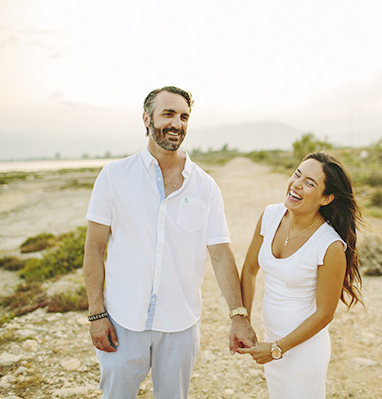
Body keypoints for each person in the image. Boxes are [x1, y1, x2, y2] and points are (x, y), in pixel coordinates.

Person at [83, 86, 256, 399]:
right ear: (147, 119)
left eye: (184, 116)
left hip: (180, 324)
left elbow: (220, 255)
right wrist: (96, 313)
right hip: (122, 320)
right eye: (168, 114)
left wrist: (239, 316)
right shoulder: (113, 176)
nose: (177, 123)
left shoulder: (205, 186)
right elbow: (94, 248)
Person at [237, 151, 362, 399]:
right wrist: (244, 320)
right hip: (272, 342)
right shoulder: (270, 216)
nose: (296, 184)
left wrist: (276, 349)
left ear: (326, 199)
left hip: (304, 352)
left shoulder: (330, 245)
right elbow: (250, 270)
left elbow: (325, 314)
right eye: (297, 174)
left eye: (309, 183)